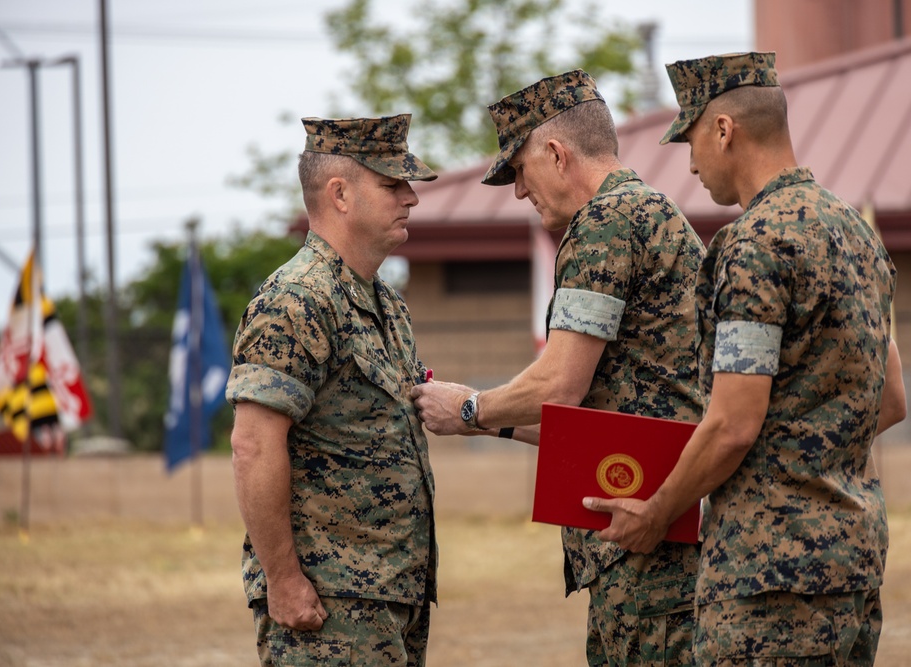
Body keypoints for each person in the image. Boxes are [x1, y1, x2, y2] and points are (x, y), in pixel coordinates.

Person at [584, 52, 907, 666]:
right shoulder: (855, 233)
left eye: (692, 138)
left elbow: (733, 424)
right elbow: (891, 400)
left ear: (724, 129)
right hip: (854, 564)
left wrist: (656, 513)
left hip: (768, 581)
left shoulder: (756, 245)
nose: (690, 161)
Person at [411, 70, 707, 666]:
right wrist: (481, 419)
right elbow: (593, 423)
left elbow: (561, 385)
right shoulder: (646, 211)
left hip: (649, 556)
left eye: (520, 170)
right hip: (656, 540)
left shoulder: (605, 224)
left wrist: (470, 407)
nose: (519, 191)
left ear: (555, 153)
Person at [226, 114, 439, 666]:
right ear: (339, 194)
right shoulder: (295, 300)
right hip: (329, 602)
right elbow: (253, 444)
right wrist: (284, 578)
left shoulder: (385, 304)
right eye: (392, 184)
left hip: (391, 594)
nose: (411, 198)